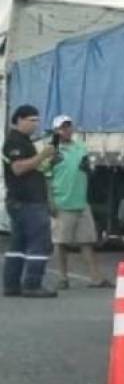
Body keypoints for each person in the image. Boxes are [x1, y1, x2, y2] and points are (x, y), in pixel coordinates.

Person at [46, 116, 111, 289]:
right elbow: (46, 177)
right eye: (62, 127)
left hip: (81, 202)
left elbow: (86, 170)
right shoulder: (52, 151)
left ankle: (95, 277)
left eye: (68, 126)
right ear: (56, 131)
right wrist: (50, 201)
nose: (66, 130)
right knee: (61, 242)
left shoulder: (80, 148)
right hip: (62, 201)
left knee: (86, 241)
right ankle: (62, 277)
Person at [3, 105, 59, 297]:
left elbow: (34, 168)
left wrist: (47, 161)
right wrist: (42, 155)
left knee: (18, 244)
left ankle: (11, 284)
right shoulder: (14, 142)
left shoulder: (25, 141)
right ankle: (32, 284)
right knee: (38, 242)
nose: (35, 124)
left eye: (37, 120)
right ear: (19, 120)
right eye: (31, 120)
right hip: (27, 202)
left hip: (24, 201)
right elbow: (18, 168)